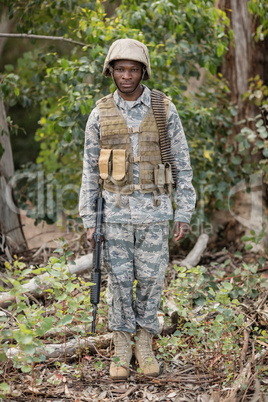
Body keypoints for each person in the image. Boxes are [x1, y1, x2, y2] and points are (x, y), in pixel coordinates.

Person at [79, 38, 196, 380]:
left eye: (133, 69)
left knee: (151, 280)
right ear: (110, 72)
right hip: (113, 214)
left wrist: (183, 211)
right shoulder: (99, 112)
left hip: (156, 213)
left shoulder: (163, 108)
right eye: (120, 69)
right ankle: (120, 346)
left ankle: (144, 343)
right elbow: (89, 170)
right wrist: (89, 217)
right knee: (118, 282)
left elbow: (182, 165)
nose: (126, 76)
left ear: (143, 71)